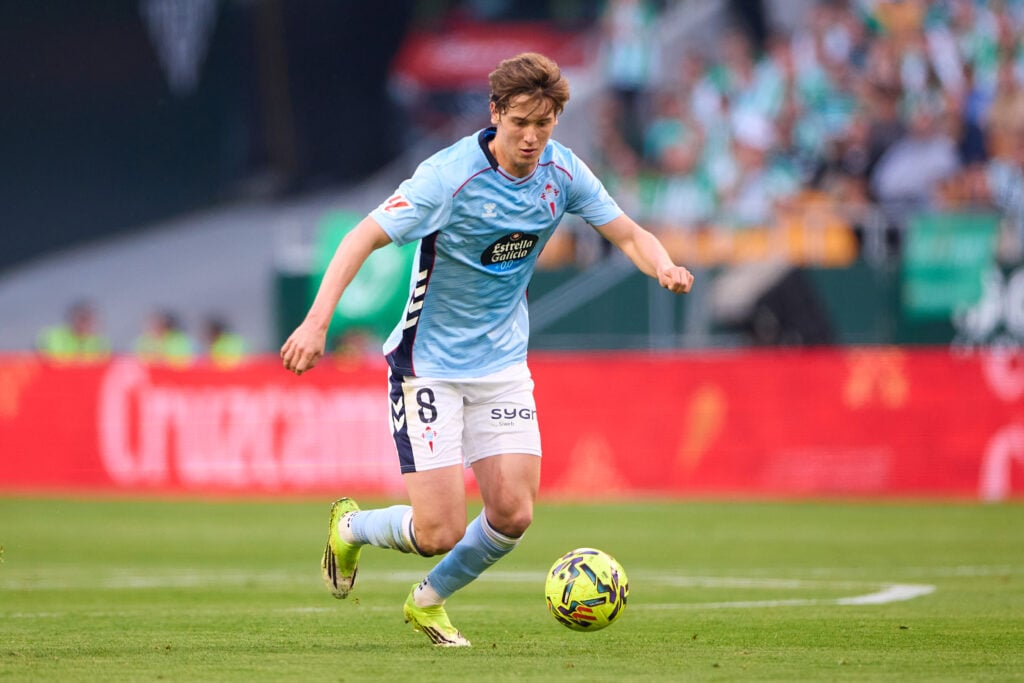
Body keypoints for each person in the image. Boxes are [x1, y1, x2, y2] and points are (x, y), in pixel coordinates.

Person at [280, 52, 694, 647]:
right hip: (429, 369)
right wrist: (317, 323)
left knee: (513, 513)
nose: (531, 138)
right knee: (438, 529)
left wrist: (664, 265)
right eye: (520, 122)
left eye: (544, 125)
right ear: (494, 112)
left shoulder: (564, 172)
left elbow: (627, 231)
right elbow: (361, 236)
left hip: (501, 366)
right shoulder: (446, 178)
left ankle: (428, 601)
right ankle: (352, 526)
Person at [36, 300, 111, 363]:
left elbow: (104, 364)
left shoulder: (100, 341)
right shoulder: (52, 336)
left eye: (88, 320)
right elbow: (49, 360)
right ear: (71, 319)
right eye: (81, 319)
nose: (84, 324)